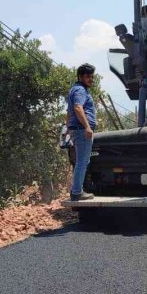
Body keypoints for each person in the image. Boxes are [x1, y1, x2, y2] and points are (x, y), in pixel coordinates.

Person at [67, 64, 97, 201]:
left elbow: (70, 112)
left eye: (92, 76)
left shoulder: (77, 89)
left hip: (77, 129)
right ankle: (77, 192)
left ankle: (77, 190)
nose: (90, 79)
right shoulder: (80, 90)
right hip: (81, 130)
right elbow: (78, 108)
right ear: (80, 77)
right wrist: (87, 127)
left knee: (82, 161)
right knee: (82, 161)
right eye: (87, 77)